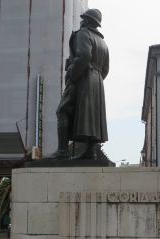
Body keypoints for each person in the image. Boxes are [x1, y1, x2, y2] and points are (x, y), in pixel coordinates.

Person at [51, 9, 109, 160]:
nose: (81, 21)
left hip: (83, 77)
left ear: (88, 21)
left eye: (83, 18)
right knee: (90, 117)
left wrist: (72, 74)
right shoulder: (103, 43)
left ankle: (62, 151)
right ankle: (90, 151)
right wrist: (96, 78)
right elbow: (106, 69)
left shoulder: (83, 33)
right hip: (97, 81)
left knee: (62, 110)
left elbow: (83, 55)